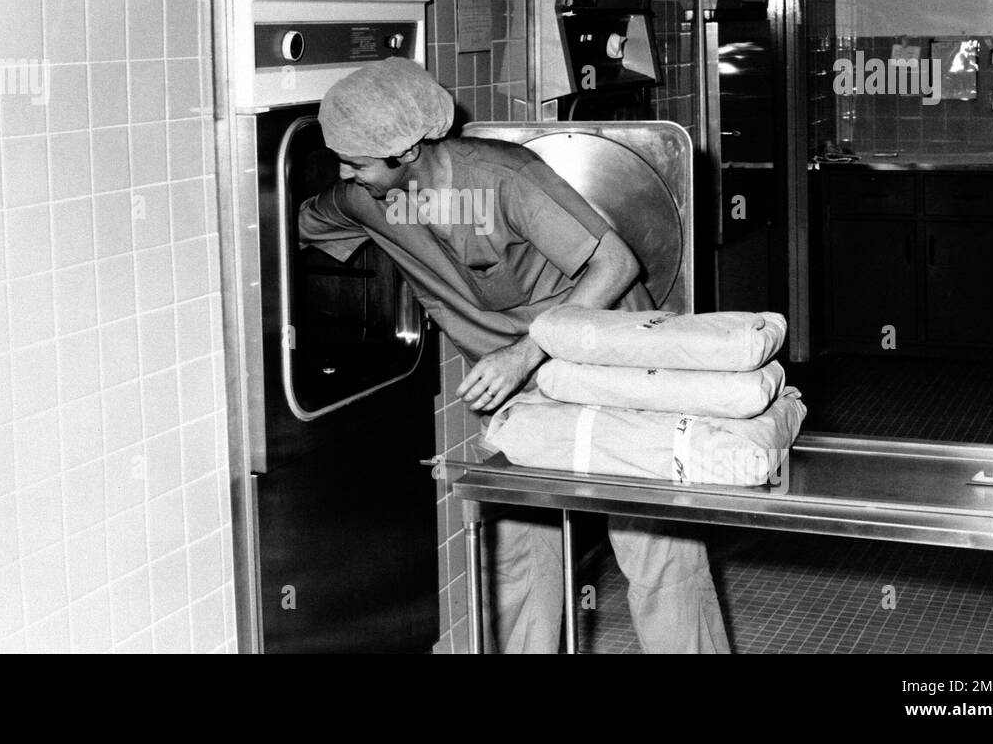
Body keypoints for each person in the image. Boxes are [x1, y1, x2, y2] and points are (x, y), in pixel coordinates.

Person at [298, 56, 729, 654]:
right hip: (518, 382)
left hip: (610, 358)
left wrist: (527, 353)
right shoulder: (364, 198)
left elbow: (617, 265)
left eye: (357, 161)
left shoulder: (505, 177)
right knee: (522, 545)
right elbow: (305, 225)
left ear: (408, 152)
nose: (346, 173)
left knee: (653, 541)